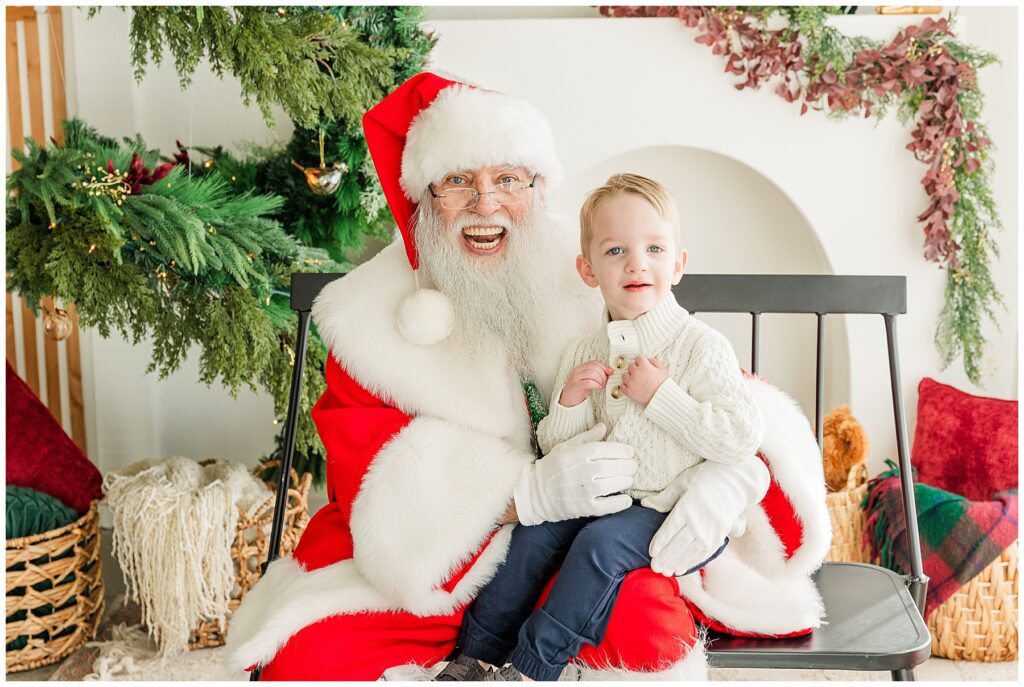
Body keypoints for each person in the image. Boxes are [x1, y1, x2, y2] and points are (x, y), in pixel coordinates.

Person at [225, 73, 831, 681]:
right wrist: (523, 494)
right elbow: (366, 480)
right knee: (309, 660)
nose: (485, 206)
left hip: (589, 538)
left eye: (506, 180)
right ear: (422, 198)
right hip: (444, 561)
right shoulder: (370, 322)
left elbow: (720, 390)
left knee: (641, 627)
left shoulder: (595, 265)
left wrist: (732, 480)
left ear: (536, 187)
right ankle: (479, 657)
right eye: (457, 181)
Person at [435, 173, 763, 681]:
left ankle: (532, 666)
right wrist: (567, 403)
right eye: (615, 251)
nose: (637, 263)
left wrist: (662, 398)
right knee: (535, 533)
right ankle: (476, 653)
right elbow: (562, 454)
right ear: (588, 270)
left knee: (599, 545)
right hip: (609, 497)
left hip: (676, 507)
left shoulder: (701, 346)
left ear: (677, 265)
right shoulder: (586, 351)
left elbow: (739, 438)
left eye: (655, 248)